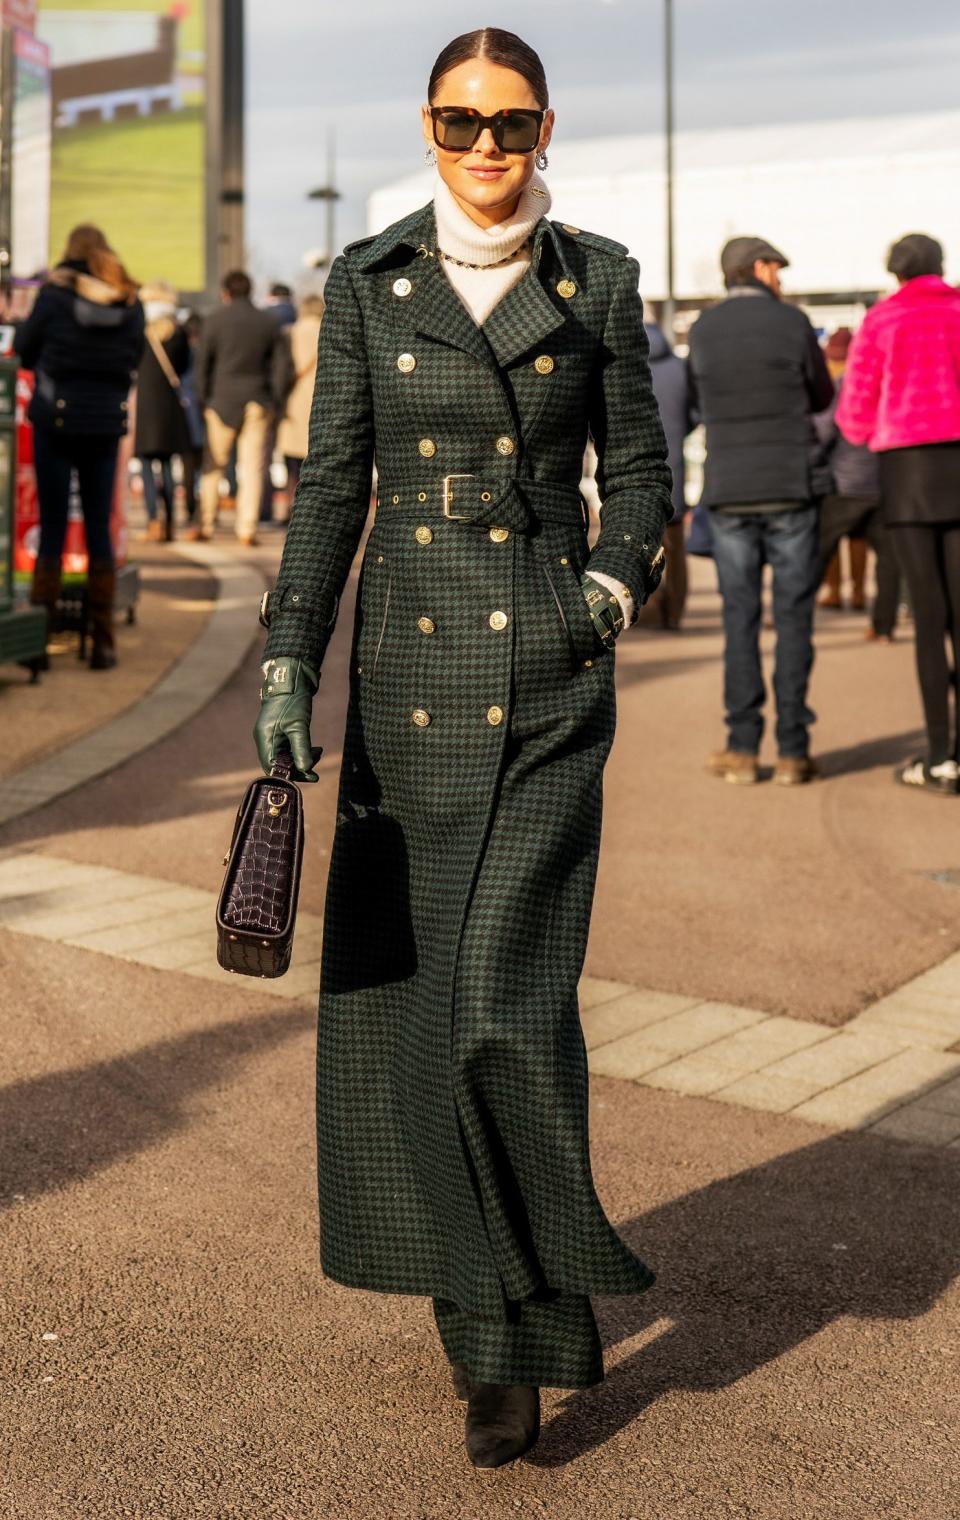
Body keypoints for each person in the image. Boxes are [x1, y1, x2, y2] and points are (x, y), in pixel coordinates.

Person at [252, 27, 670, 1469]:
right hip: (413, 682)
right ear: (426, 129)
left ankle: (529, 1297)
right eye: (458, 122)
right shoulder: (372, 284)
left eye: (510, 124)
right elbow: (331, 482)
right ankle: (493, 1339)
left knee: (501, 1001)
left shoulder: (598, 277)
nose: (486, 149)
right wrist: (291, 649)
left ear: (546, 127)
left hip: (550, 685)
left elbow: (643, 471)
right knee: (419, 1018)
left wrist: (607, 594)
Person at [688, 235, 833, 785]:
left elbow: (700, 404)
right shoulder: (793, 324)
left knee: (739, 620)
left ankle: (743, 748)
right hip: (791, 487)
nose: (783, 279)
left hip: (729, 491)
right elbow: (821, 395)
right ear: (759, 268)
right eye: (778, 268)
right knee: (795, 620)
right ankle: (794, 750)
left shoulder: (703, 329)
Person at [837, 233, 960, 795]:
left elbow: (855, 414)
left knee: (929, 620)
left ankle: (940, 756)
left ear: (895, 273)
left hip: (907, 476)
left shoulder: (883, 321)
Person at [15, 223, 143, 670]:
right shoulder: (129, 301)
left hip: (56, 419)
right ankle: (103, 643)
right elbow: (134, 358)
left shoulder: (52, 297)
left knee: (52, 528)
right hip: (105, 423)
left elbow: (24, 349)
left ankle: (38, 646)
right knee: (97, 530)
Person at [814, 327, 899, 642]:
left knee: (819, 549)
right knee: (887, 557)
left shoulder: (842, 387)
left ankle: (795, 613)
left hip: (845, 483)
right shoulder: (888, 384)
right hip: (881, 484)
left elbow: (824, 434)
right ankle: (882, 624)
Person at [191, 270, 284, 546]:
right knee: (253, 467)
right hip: (258, 401)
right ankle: (247, 529)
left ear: (226, 292)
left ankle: (205, 524)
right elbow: (280, 366)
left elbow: (202, 364)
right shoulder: (267, 322)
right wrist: (273, 398)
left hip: (220, 402)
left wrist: (204, 399)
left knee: (213, 465)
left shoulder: (214, 320)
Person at [638, 314, 693, 629]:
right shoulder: (679, 368)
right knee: (676, 546)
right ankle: (674, 612)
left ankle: (646, 612)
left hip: (635, 474)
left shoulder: (624, 364)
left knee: (640, 540)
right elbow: (693, 414)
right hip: (674, 469)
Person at [134, 281, 191, 541]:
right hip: (169, 406)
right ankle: (169, 523)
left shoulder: (139, 331)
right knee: (168, 466)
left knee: (146, 466)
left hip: (146, 405)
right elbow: (185, 366)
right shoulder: (177, 333)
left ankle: (152, 521)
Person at [276, 292, 324, 506]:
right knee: (315, 459)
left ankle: (290, 506)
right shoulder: (329, 331)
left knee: (292, 462)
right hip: (321, 400)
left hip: (293, 399)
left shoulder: (290, 333)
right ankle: (312, 507)